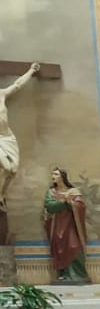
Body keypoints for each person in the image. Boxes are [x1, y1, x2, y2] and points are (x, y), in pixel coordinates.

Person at [0, 62, 41, 210]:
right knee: (5, 166)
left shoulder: (1, 94)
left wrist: (31, 71)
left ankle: (2, 196)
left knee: (13, 170)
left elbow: (17, 85)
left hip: (7, 138)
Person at [44, 168, 89, 283]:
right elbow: (49, 206)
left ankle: (78, 275)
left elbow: (81, 206)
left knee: (74, 246)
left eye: (56, 174)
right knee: (59, 248)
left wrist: (71, 203)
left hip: (71, 225)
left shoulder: (73, 191)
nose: (53, 176)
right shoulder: (51, 192)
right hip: (57, 225)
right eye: (52, 174)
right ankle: (63, 274)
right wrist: (64, 201)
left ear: (62, 176)